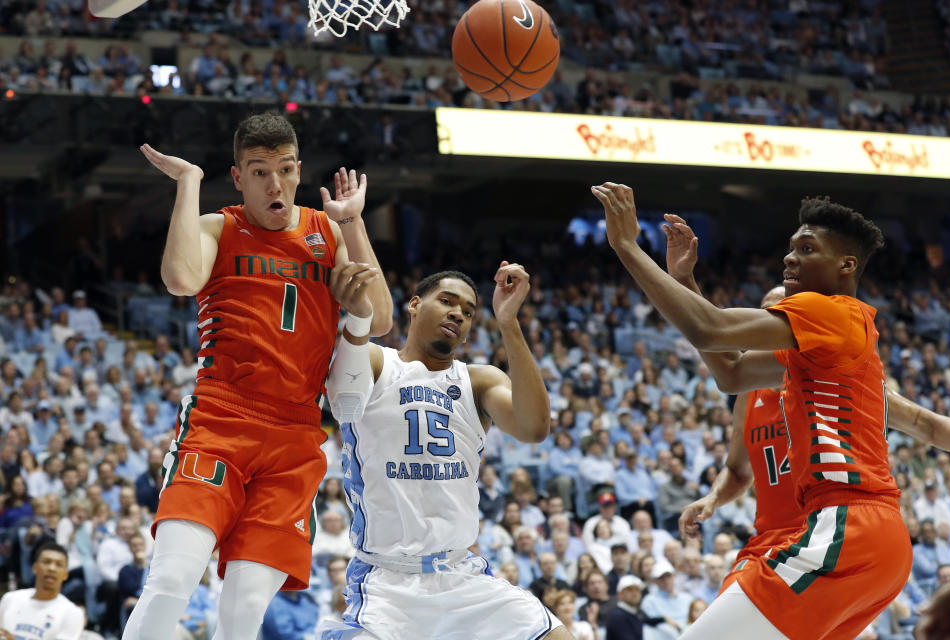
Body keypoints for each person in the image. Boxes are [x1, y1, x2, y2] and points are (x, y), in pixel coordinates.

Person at [594, 185, 914, 639]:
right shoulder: (821, 345)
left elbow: (708, 328)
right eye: (790, 248)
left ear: (846, 265)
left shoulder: (831, 312)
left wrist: (627, 246)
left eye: (806, 249)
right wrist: (685, 282)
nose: (790, 258)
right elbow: (732, 373)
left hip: (847, 526)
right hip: (875, 540)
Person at [122, 112, 392, 640]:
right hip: (220, 418)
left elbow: (380, 318)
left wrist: (353, 225)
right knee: (173, 578)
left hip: (295, 434)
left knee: (245, 608)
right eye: (260, 171)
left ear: (298, 171)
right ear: (238, 176)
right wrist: (188, 182)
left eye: (286, 169)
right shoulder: (216, 227)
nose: (276, 183)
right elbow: (180, 279)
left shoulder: (328, 231)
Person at [317, 265, 573, 639]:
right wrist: (358, 314)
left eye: (468, 312)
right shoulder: (376, 362)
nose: (458, 314)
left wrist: (508, 322)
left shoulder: (479, 381)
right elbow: (342, 398)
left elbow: (534, 428)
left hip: (460, 576)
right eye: (447, 301)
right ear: (415, 304)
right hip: (388, 580)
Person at [0, 541, 84, 640]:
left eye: (59, 565)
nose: (52, 568)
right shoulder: (10, 599)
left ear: (66, 574)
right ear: (35, 567)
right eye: (46, 562)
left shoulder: (72, 613)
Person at [606, 574, 680, 640]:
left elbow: (647, 620)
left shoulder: (635, 611)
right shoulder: (617, 616)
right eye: (630, 590)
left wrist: (664, 619)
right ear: (620, 594)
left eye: (637, 589)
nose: (635, 593)